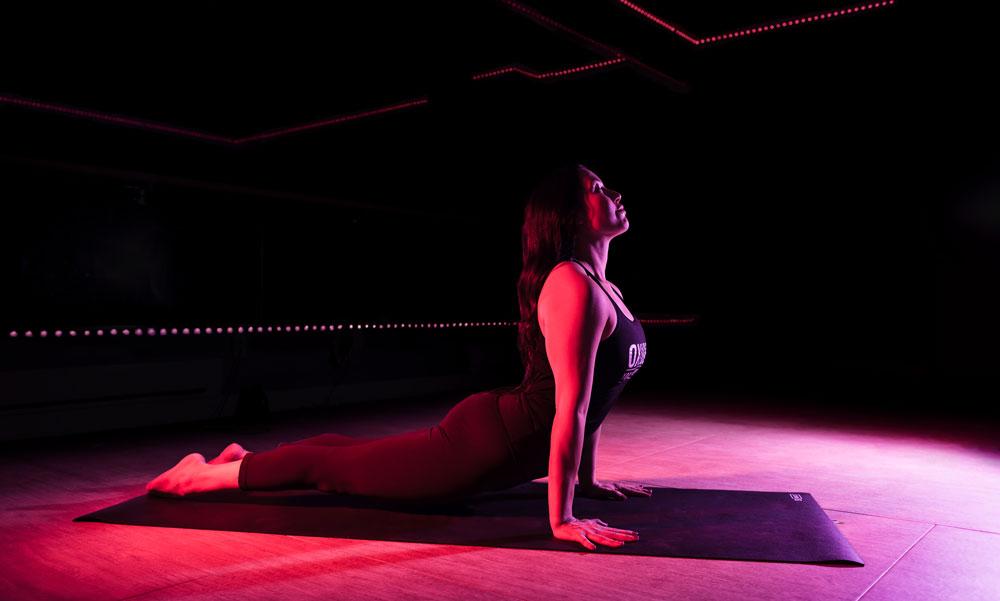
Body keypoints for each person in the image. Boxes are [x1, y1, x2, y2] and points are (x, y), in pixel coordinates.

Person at [145, 163, 650, 551]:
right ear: (567, 213)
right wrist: (561, 519)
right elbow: (572, 408)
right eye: (598, 189)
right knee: (333, 470)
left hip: (501, 431)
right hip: (482, 450)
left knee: (345, 450)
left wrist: (587, 482)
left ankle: (244, 459)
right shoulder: (573, 285)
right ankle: (195, 478)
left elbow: (597, 396)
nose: (615, 194)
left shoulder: (606, 288)